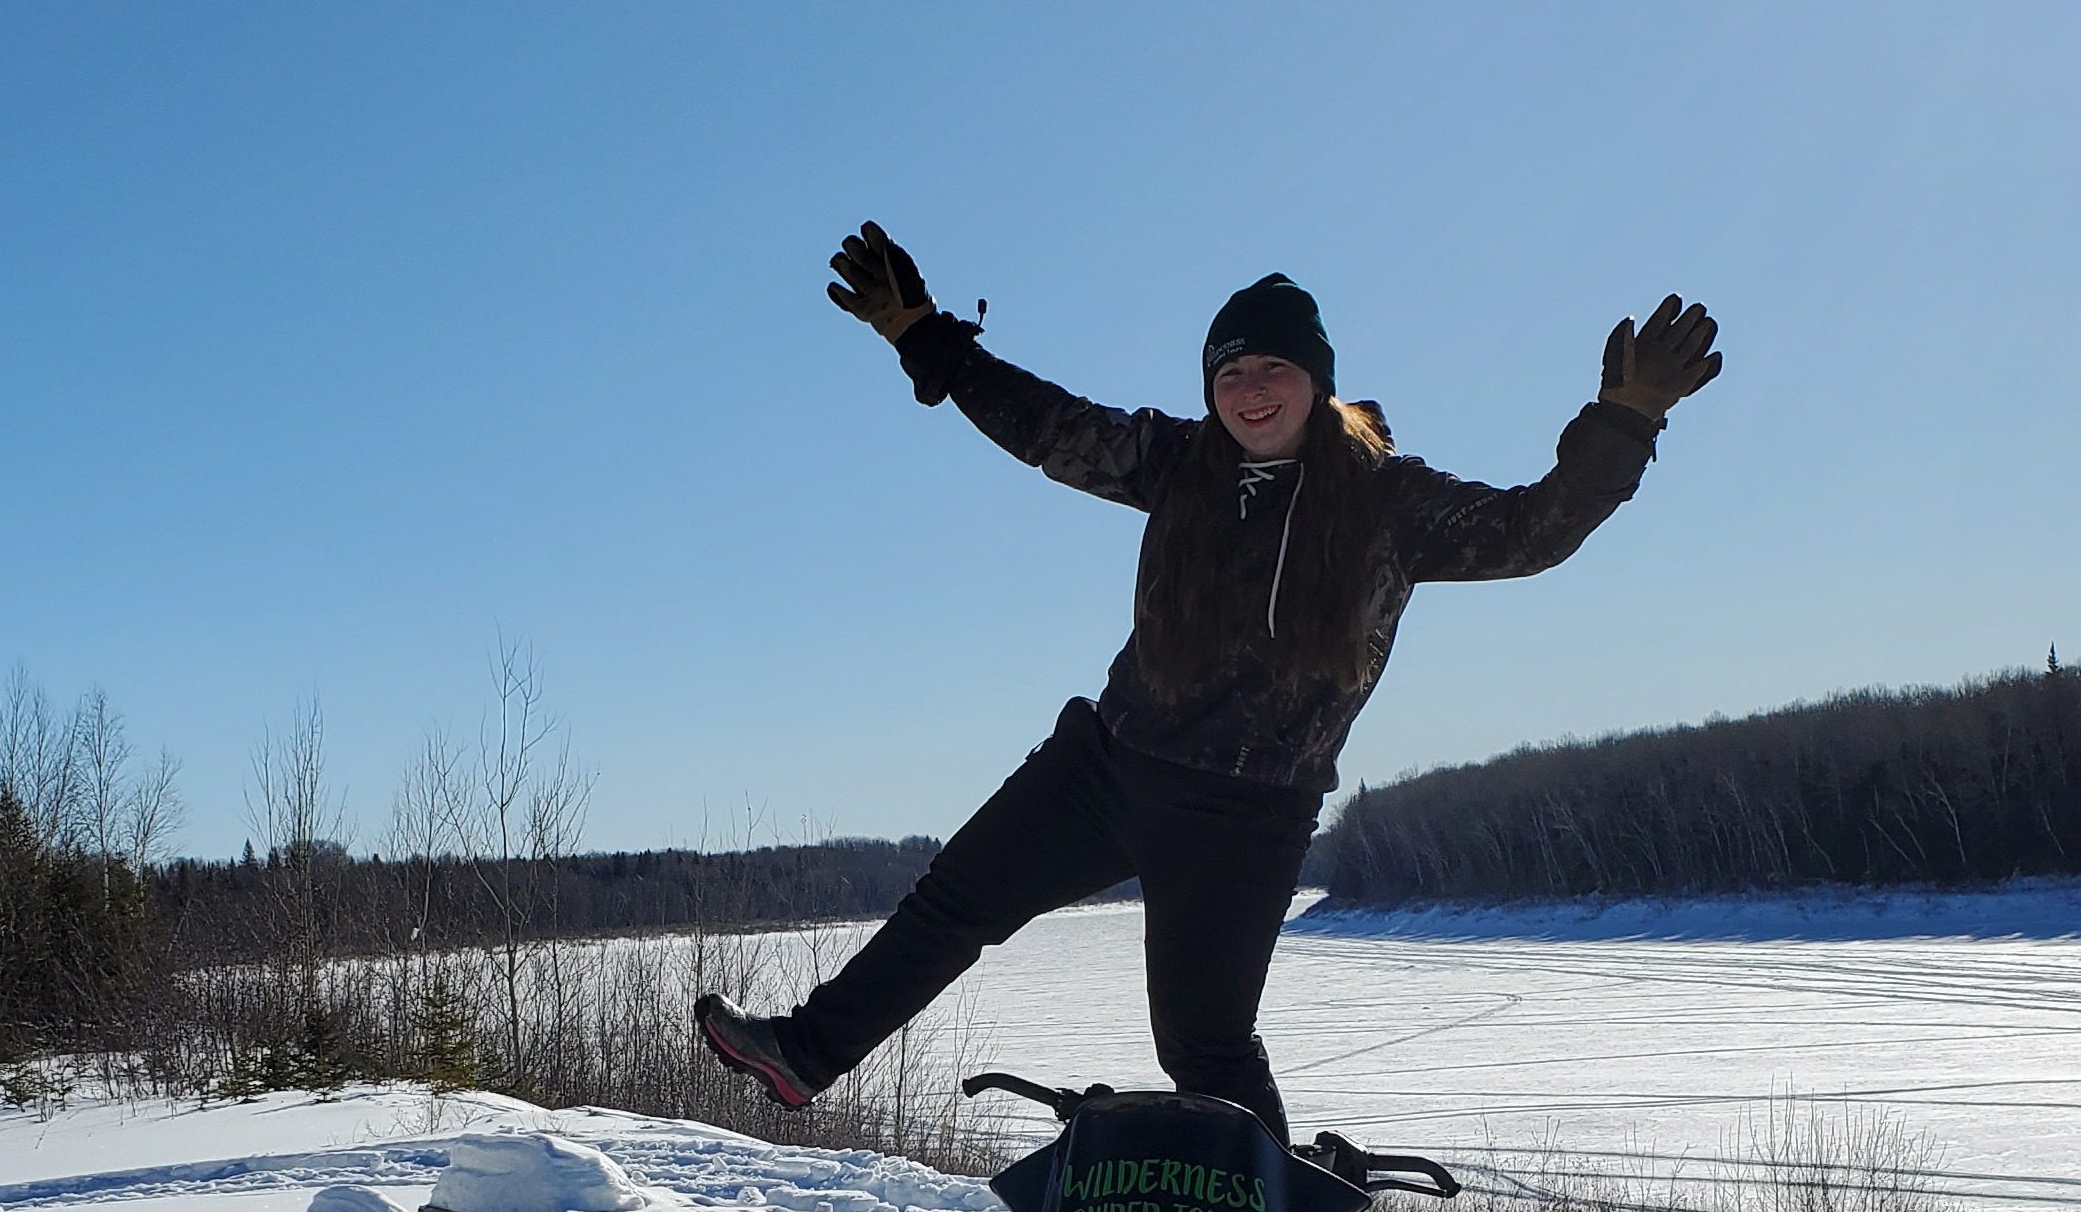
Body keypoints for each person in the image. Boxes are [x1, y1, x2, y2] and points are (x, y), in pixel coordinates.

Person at [698, 223, 1722, 1144]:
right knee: (951, 900)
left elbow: (1530, 532)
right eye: (1230, 372)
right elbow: (1046, 425)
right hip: (1107, 762)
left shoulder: (1384, 501)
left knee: (1203, 1046)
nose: (1251, 389)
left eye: (1273, 367)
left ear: (1317, 381)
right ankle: (803, 1054)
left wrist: (1624, 419)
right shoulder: (1173, 459)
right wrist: (923, 334)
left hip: (1247, 809)